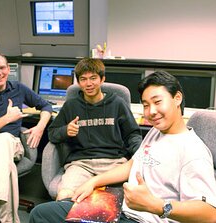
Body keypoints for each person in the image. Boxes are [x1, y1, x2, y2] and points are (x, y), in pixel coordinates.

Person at [29, 70, 216, 223]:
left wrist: (156, 206)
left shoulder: (193, 152)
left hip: (144, 219)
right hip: (118, 206)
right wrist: (93, 182)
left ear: (177, 98)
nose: (151, 112)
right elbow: (133, 163)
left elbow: (209, 214)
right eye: (145, 105)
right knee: (41, 213)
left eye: (158, 102)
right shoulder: (157, 131)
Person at [0, 54, 52, 223]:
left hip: (9, 143)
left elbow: (46, 106)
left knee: (2, 138)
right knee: (6, 169)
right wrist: (7, 118)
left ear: (8, 69)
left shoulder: (18, 88)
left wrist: (40, 128)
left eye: (2, 68)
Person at [47, 58, 142, 201]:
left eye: (93, 78)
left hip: (114, 162)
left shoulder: (117, 103)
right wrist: (65, 130)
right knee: (64, 196)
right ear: (78, 82)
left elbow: (132, 134)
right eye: (83, 79)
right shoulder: (71, 106)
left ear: (102, 79)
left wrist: (140, 155)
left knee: (122, 201)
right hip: (81, 164)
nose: (89, 83)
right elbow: (52, 134)